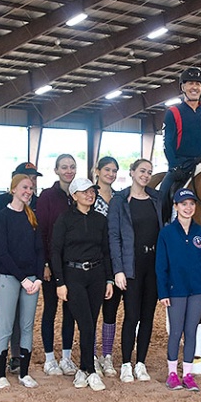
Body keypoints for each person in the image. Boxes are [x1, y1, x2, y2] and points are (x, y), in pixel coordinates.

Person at [52, 178, 113, 392]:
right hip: (73, 275)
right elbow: (55, 251)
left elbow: (106, 251)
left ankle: (83, 370)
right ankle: (90, 370)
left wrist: (108, 279)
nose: (90, 194)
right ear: (74, 195)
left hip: (96, 275)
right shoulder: (65, 219)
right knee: (86, 324)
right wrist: (60, 282)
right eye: (84, 192)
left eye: (92, 191)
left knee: (91, 323)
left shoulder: (100, 220)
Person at [0, 162, 42, 377]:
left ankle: (17, 356)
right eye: (26, 178)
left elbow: (38, 240)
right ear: (14, 182)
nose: (31, 183)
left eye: (34, 178)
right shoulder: (1, 204)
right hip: (5, 270)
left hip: (28, 271)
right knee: (2, 316)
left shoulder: (34, 206)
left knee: (23, 318)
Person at [109, 159, 162, 383]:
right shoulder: (120, 200)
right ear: (131, 172)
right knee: (131, 316)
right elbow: (113, 237)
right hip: (131, 266)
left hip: (153, 265)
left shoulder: (156, 199)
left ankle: (141, 362)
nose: (146, 175)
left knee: (147, 316)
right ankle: (125, 364)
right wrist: (118, 270)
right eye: (142, 171)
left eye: (149, 172)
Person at [156, 188, 201, 392]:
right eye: (183, 204)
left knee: (192, 332)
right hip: (176, 290)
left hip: (197, 289)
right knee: (176, 332)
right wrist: (163, 292)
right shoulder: (167, 233)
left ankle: (188, 374)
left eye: (191, 204)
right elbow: (161, 265)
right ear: (176, 207)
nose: (188, 208)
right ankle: (172, 373)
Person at [159, 67, 201, 221]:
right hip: (181, 166)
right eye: (191, 83)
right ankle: (164, 226)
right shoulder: (173, 112)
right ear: (183, 87)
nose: (195, 87)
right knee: (163, 194)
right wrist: (174, 166)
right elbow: (167, 143)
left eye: (198, 84)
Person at [37, 154, 78, 376]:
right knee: (50, 309)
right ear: (56, 170)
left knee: (70, 311)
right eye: (64, 167)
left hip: (72, 264)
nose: (68, 171)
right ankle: (49, 358)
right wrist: (45, 262)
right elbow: (42, 232)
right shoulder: (47, 197)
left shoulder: (78, 196)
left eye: (72, 167)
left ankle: (67, 357)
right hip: (52, 264)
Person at [92, 156, 121, 377]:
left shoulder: (120, 198)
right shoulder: (89, 195)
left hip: (116, 260)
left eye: (114, 171)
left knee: (111, 310)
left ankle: (107, 355)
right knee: (92, 311)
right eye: (107, 170)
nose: (110, 174)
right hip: (94, 259)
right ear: (98, 170)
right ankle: (91, 355)